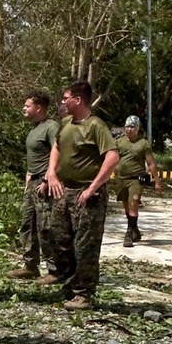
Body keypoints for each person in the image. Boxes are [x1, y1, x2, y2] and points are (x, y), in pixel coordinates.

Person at [45, 81, 119, 310]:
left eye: (65, 98)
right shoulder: (66, 123)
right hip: (64, 191)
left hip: (87, 194)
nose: (62, 102)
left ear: (78, 100)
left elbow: (113, 156)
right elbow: (57, 147)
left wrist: (93, 187)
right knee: (59, 239)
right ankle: (68, 285)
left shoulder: (95, 126)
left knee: (85, 245)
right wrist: (51, 173)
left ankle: (84, 293)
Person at [8, 89, 59, 281]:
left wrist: (48, 179)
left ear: (39, 107)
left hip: (44, 183)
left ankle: (54, 269)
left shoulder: (51, 127)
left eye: (27, 105)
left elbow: (58, 151)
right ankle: (30, 265)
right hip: (33, 182)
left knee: (45, 227)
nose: (24, 108)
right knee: (27, 224)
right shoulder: (34, 128)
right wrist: (28, 177)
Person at [114, 115, 162, 247]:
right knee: (126, 206)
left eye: (132, 127)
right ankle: (135, 229)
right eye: (127, 126)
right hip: (121, 179)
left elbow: (151, 163)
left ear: (137, 128)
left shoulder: (143, 144)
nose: (129, 129)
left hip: (136, 179)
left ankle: (128, 234)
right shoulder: (119, 142)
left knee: (134, 202)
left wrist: (157, 181)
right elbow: (112, 159)